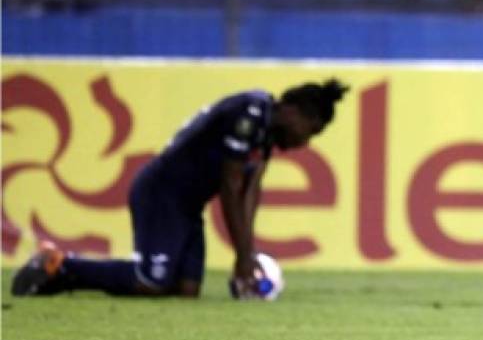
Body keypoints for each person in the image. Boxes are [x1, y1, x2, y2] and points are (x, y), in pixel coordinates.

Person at [11, 80, 349, 298]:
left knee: (185, 290)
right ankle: (59, 265)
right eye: (310, 130)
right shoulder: (250, 112)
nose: (306, 142)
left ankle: (65, 278)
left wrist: (245, 255)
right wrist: (244, 256)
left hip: (188, 206)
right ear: (292, 112)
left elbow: (249, 193)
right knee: (151, 280)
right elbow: (230, 188)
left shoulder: (265, 136)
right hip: (162, 193)